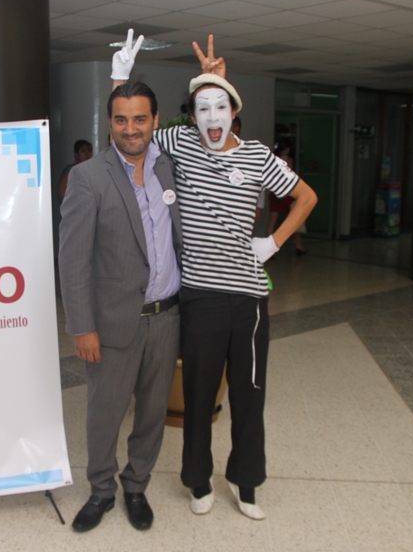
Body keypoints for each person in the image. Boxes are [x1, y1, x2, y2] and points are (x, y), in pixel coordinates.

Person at [111, 31, 317, 520]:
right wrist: (120, 77)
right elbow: (128, 134)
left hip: (248, 299)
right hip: (200, 297)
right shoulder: (181, 143)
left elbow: (306, 197)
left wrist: (272, 242)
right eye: (202, 109)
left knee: (249, 396)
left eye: (220, 107)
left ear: (234, 113)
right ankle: (198, 481)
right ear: (191, 116)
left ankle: (246, 483)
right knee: (199, 397)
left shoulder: (257, 155)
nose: (211, 118)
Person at [58, 71, 182, 532]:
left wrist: (212, 85)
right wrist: (82, 326)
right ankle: (101, 490)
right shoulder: (87, 177)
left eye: (140, 119)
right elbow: (72, 260)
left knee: (152, 413)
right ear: (109, 123)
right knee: (104, 414)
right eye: (121, 120)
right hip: (110, 323)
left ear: (155, 121)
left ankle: (136, 485)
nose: (131, 129)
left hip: (166, 318)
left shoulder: (170, 168)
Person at [269, 140, 307, 255]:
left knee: (272, 222)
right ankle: (299, 245)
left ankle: (269, 249)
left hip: (275, 191)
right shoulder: (289, 160)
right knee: (293, 220)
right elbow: (290, 174)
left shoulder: (273, 158)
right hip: (287, 192)